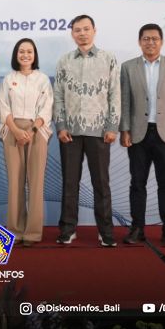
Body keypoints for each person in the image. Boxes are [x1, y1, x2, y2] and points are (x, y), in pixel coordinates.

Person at [120, 23, 165, 248]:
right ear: (139, 42)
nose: (150, 42)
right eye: (146, 39)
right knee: (137, 184)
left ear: (161, 41)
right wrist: (124, 130)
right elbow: (125, 101)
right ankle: (137, 229)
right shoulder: (128, 67)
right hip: (138, 135)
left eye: (154, 39)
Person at [53, 15, 120, 247]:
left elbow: (115, 94)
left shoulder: (108, 59)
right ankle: (68, 229)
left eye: (86, 29)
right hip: (70, 132)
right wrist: (61, 126)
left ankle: (106, 231)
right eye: (77, 30)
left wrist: (112, 127)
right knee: (70, 183)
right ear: (72, 34)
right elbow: (58, 96)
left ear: (94, 30)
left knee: (101, 183)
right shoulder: (64, 61)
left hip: (99, 132)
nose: (82, 33)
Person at [0, 38, 53, 246]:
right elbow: (4, 107)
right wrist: (15, 130)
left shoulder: (42, 79)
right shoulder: (8, 79)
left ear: (34, 55)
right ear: (16, 54)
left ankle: (32, 233)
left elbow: (46, 108)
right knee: (15, 182)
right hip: (12, 131)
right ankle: (14, 230)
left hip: (36, 131)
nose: (25, 55)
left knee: (36, 182)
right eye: (21, 51)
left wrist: (30, 130)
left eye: (29, 51)